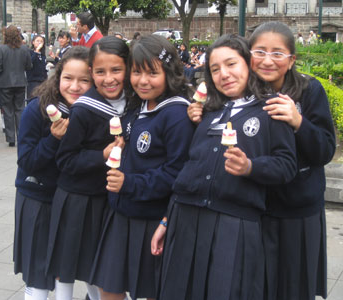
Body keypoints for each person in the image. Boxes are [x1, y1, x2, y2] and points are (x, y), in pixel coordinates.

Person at [152, 34, 297, 300]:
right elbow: (190, 167)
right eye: (215, 69)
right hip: (185, 217)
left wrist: (251, 166)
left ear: (248, 64)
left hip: (234, 224)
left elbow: (287, 165)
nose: (224, 74)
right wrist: (166, 219)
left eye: (231, 64)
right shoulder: (208, 112)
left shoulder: (270, 109)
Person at [90, 34, 195, 300]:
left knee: (152, 291)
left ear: (169, 73)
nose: (143, 81)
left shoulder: (176, 114)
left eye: (152, 73)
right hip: (120, 214)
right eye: (136, 72)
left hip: (152, 220)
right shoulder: (137, 106)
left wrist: (129, 183)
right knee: (109, 288)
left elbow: (176, 173)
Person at [249, 21, 335, 300]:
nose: (267, 60)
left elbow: (324, 150)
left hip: (298, 209)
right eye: (259, 51)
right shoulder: (243, 91)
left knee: (294, 287)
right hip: (254, 206)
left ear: (291, 59)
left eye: (277, 53)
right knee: (257, 285)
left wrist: (299, 122)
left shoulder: (310, 91)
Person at [45, 36, 128, 300]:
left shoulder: (135, 103)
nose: (109, 79)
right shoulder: (84, 109)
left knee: (102, 269)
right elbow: (65, 160)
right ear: (92, 72)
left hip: (112, 199)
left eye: (116, 70)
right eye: (100, 72)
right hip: (78, 199)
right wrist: (101, 155)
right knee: (67, 266)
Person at [14, 46, 92, 300]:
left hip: (72, 200)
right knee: (38, 273)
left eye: (84, 80)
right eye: (68, 78)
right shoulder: (36, 110)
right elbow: (27, 161)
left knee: (66, 268)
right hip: (38, 198)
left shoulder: (92, 113)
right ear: (58, 77)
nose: (75, 86)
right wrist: (53, 138)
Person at [0, 25, 32, 147]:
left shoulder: (1, 48)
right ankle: (21, 135)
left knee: (8, 110)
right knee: (20, 109)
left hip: (5, 82)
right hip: (20, 82)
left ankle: (10, 138)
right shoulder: (24, 49)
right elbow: (29, 66)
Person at [26, 35, 47, 100]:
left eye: (41, 41)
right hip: (33, 81)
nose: (39, 43)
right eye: (37, 41)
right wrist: (36, 51)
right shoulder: (30, 52)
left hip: (42, 81)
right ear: (33, 42)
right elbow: (29, 63)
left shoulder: (43, 55)